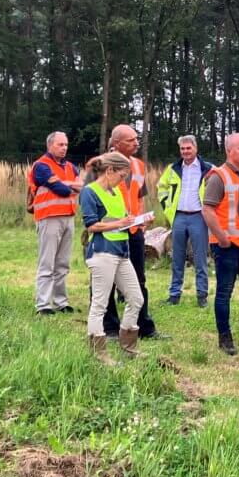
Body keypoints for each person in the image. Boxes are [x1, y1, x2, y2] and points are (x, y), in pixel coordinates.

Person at [80, 152, 151, 362]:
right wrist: (119, 224)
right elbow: (91, 224)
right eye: (122, 175)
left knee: (136, 299)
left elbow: (120, 220)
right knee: (99, 304)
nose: (123, 180)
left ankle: (128, 347)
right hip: (102, 253)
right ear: (109, 170)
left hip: (121, 252)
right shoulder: (89, 192)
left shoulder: (115, 192)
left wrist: (136, 220)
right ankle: (98, 353)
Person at [97, 124, 166, 341]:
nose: (136, 143)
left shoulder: (138, 165)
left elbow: (140, 195)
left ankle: (144, 326)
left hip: (134, 231)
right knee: (106, 279)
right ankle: (109, 328)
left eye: (137, 139)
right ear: (116, 143)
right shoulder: (101, 165)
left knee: (138, 279)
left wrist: (143, 218)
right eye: (130, 140)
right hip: (110, 231)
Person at [202, 133, 239, 356]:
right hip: (226, 246)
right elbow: (208, 210)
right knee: (225, 292)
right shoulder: (219, 176)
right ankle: (225, 337)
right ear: (229, 151)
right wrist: (222, 237)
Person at [29, 131, 83, 315]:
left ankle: (61, 302)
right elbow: (59, 189)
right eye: (60, 144)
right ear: (50, 145)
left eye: (66, 144)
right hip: (49, 217)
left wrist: (67, 184)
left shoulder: (71, 167)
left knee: (62, 263)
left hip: (68, 217)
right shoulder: (41, 166)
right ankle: (43, 304)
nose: (64, 148)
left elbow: (80, 186)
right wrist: (71, 185)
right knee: (47, 262)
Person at [157, 135, 213, 307]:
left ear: (195, 148)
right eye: (182, 149)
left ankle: (202, 296)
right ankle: (174, 295)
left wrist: (212, 210)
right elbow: (161, 187)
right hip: (179, 217)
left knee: (200, 258)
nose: (185, 151)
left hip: (199, 217)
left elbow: (220, 188)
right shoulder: (173, 168)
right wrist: (168, 208)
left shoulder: (208, 168)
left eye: (188, 148)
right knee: (177, 257)